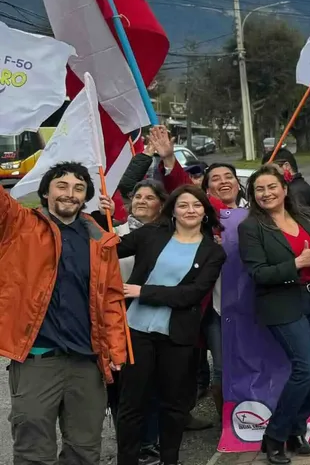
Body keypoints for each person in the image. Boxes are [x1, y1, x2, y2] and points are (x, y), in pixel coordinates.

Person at [0, 163, 127, 465]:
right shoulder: (20, 225)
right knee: (33, 451)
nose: (70, 194)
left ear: (86, 198)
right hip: (37, 358)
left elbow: (110, 300)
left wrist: (116, 351)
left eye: (79, 188)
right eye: (62, 185)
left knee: (84, 451)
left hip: (87, 361)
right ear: (45, 192)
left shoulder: (101, 241)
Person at [114, 185, 226, 465]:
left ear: (205, 212)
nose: (190, 210)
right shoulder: (151, 235)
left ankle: (169, 459)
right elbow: (109, 248)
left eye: (196, 205)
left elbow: (192, 294)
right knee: (132, 404)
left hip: (178, 336)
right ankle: (126, 459)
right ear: (172, 210)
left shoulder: (213, 252)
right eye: (183, 205)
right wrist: (95, 216)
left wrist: (143, 291)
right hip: (136, 331)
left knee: (174, 405)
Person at [238, 165, 310, 465]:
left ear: (285, 189)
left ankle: (296, 429)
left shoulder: (307, 215)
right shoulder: (251, 228)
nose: (266, 193)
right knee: (306, 368)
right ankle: (275, 434)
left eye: (272, 187)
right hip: (283, 304)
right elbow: (258, 273)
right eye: (259, 189)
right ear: (253, 195)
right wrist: (296, 263)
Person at [110, 179, 168, 465]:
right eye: (137, 196)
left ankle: (150, 442)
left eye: (149, 197)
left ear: (161, 203)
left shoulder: (172, 235)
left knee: (153, 386)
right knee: (124, 389)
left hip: (153, 318)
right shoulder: (113, 233)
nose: (142, 201)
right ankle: (128, 445)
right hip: (116, 318)